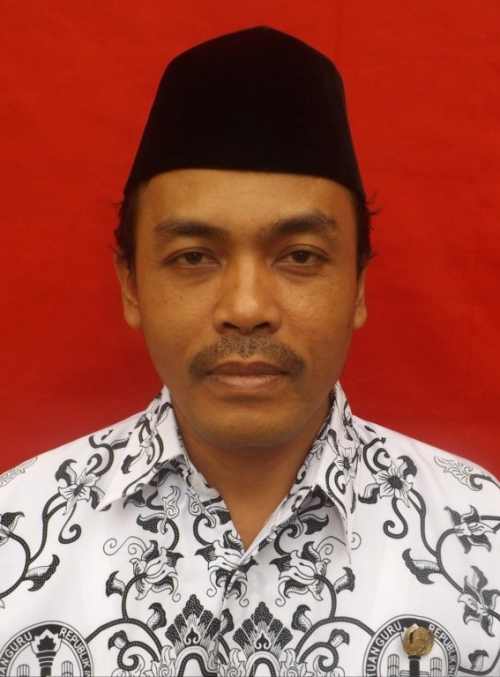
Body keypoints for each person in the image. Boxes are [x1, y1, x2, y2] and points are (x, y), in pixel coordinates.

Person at [0, 26, 499, 677]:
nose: (245, 306)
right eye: (194, 256)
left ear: (357, 287)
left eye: (300, 255)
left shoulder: (480, 539)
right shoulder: (16, 534)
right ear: (131, 286)